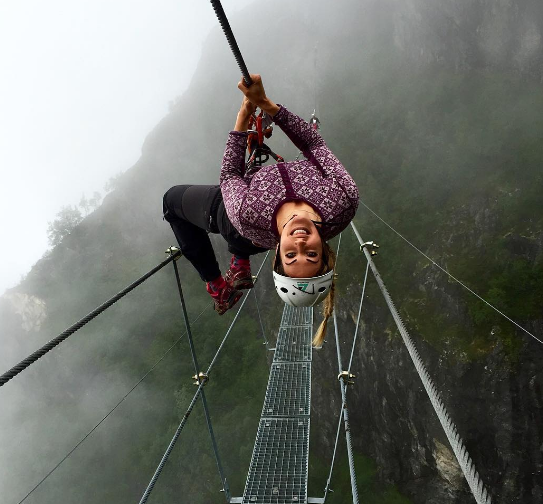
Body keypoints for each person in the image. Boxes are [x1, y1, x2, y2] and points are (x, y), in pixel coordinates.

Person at [164, 74, 359, 346]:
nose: (300, 243)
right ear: (325, 249)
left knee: (171, 201)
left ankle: (218, 286)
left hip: (235, 224)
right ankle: (241, 260)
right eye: (311, 253)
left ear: (277, 252)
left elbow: (231, 175)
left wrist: (245, 113)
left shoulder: (246, 214)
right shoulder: (342, 200)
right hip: (258, 226)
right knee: (245, 215)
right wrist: (264, 103)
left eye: (291, 254)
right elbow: (314, 145)